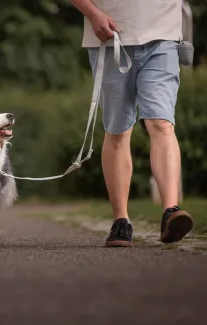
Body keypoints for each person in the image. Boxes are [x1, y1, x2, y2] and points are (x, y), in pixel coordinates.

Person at [71, 0, 193, 247]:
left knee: (161, 124)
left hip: (163, 39)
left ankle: (170, 211)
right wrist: (93, 14)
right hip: (109, 39)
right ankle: (121, 220)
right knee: (117, 131)